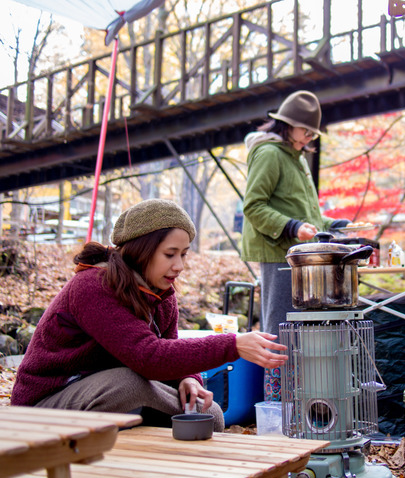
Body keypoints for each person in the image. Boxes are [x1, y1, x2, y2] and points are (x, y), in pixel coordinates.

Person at [11, 198, 288, 431]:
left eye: (184, 254)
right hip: (45, 404)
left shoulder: (162, 294)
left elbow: (171, 347)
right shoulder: (93, 286)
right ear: (141, 251)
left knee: (210, 414)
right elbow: (148, 357)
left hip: (108, 392)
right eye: (170, 254)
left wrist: (188, 379)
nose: (179, 265)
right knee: (129, 386)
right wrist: (234, 344)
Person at [241, 90, 349, 401]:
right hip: (279, 255)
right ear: (287, 124)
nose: (308, 138)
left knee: (302, 333)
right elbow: (254, 206)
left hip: (302, 258)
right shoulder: (269, 154)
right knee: (279, 332)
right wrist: (291, 227)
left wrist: (336, 226)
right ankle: (278, 406)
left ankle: (303, 405)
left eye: (312, 133)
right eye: (305, 131)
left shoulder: (297, 158)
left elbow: (308, 215)